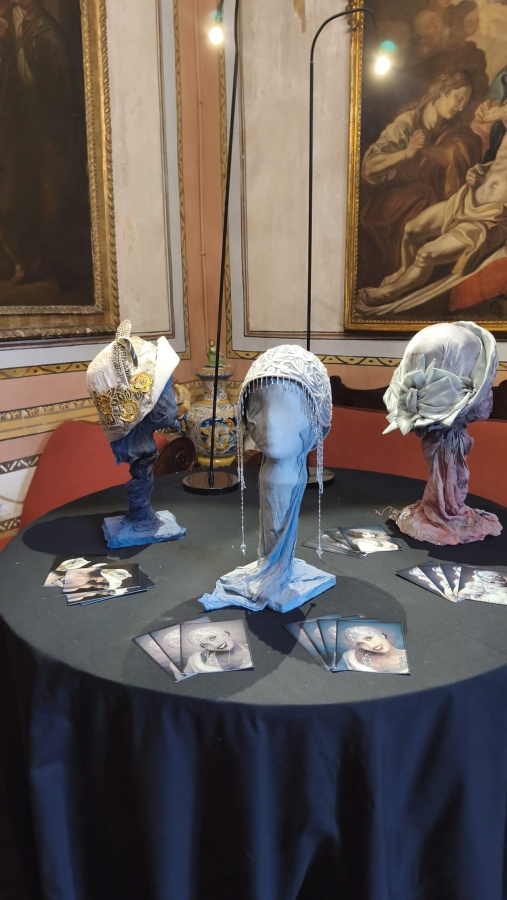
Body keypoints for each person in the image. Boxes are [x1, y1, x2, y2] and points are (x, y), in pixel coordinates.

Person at [359, 70, 481, 285]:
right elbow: (369, 168)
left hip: (428, 207)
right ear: (443, 91)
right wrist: (406, 154)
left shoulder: (451, 132)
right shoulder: (406, 124)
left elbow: (456, 161)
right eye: (459, 98)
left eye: (465, 102)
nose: (461, 107)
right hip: (390, 206)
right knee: (422, 194)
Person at [359, 130, 507, 307]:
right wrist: (478, 172)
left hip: (488, 220)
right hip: (465, 200)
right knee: (411, 230)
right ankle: (405, 270)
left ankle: (392, 292)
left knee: (426, 254)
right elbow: (498, 165)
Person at [183, 626, 252, 674]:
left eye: (212, 638)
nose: (214, 645)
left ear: (226, 633)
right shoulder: (196, 660)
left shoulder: (252, 647)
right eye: (205, 645)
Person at [341, 625, 409, 674]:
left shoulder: (408, 656)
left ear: (382, 635)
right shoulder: (354, 658)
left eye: (368, 638)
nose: (371, 645)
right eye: (360, 644)